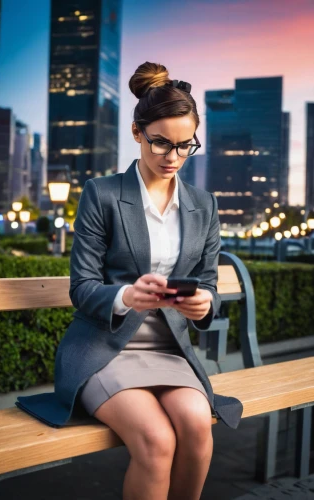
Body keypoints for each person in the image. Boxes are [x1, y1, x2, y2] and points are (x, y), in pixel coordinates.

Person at [17, 61, 243, 500]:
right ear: (137, 132)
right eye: (160, 143)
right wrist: (126, 295)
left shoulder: (204, 205)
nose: (172, 157)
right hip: (105, 351)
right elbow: (81, 287)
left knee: (198, 428)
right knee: (157, 442)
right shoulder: (101, 194)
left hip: (169, 350)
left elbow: (209, 285)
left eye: (185, 145)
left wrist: (203, 305)